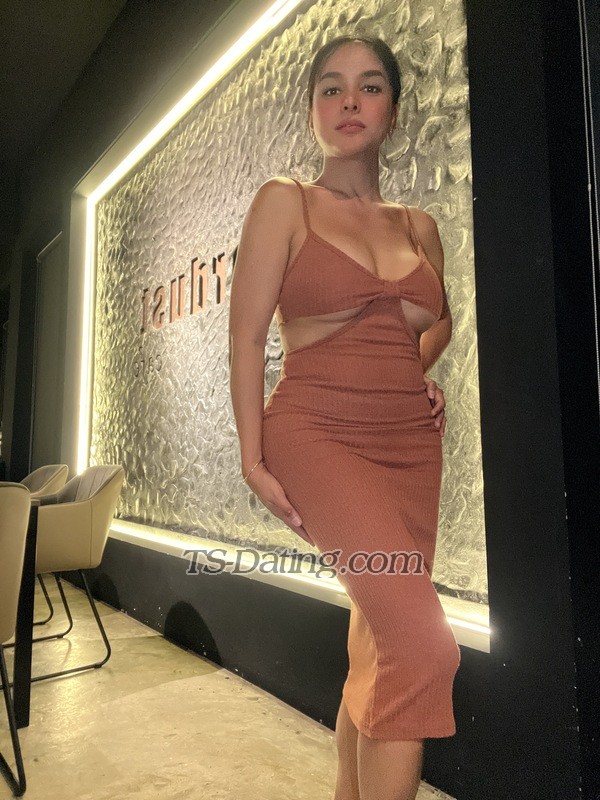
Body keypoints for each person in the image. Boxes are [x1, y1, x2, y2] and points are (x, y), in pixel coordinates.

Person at [228, 34, 460, 800]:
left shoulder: (417, 226)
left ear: (393, 108)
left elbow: (437, 322)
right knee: (423, 648)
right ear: (313, 111)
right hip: (316, 431)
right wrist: (253, 457)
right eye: (330, 88)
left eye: (368, 86)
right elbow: (246, 335)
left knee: (381, 643)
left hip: (411, 445)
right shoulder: (285, 201)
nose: (349, 100)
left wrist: (414, 376)